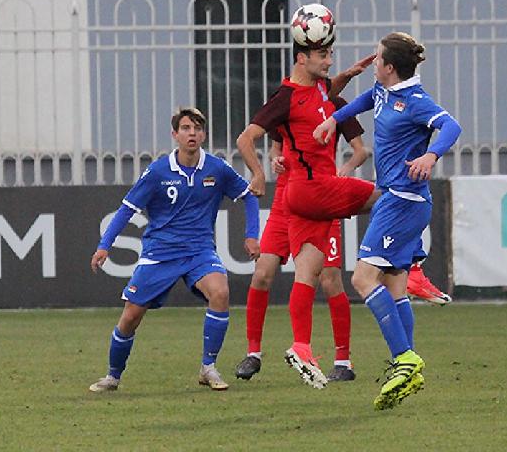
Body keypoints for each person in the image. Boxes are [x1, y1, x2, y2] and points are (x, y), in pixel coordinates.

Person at [313, 32, 462, 409]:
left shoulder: (414, 100)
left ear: (390, 67)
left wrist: (430, 157)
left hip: (403, 201)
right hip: (396, 199)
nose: (372, 62)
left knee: (362, 278)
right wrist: (334, 118)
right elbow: (365, 100)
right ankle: (407, 364)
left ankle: (405, 360)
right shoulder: (383, 92)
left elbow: (452, 127)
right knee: (396, 285)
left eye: (377, 58)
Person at [237, 37, 379, 389]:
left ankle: (331, 356)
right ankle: (254, 353)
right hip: (301, 193)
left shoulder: (331, 99)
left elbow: (359, 148)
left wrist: (343, 171)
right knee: (264, 274)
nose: (330, 61)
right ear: (304, 58)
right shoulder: (287, 99)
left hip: (319, 190)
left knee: (322, 276)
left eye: (331, 55)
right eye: (324, 55)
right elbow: (268, 139)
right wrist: (267, 166)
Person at [88, 107, 260, 393]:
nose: (191, 133)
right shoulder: (157, 171)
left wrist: (252, 235)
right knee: (131, 315)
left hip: (199, 251)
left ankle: (208, 367)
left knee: (220, 292)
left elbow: (248, 197)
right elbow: (126, 209)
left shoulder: (217, 168)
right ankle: (113, 375)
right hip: (160, 252)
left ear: (203, 134)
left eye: (196, 128)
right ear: (175, 134)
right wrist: (105, 245)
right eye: (185, 128)